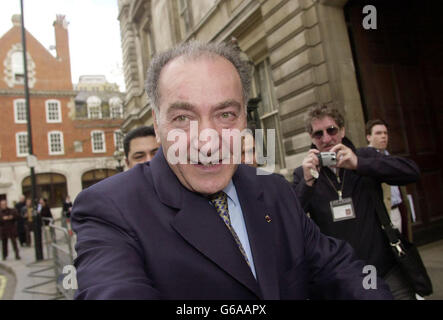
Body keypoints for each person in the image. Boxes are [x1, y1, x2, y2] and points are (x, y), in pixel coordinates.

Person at [72, 41, 393, 300]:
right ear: (157, 126)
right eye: (183, 118)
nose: (207, 141)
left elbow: (337, 268)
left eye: (225, 114)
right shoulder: (109, 208)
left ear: (244, 121)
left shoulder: (273, 190)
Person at [292, 105, 420, 300]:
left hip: (385, 269)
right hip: (341, 277)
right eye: (318, 134)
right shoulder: (304, 173)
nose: (326, 139)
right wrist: (307, 182)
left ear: (342, 131)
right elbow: (289, 218)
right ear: (312, 138)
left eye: (331, 130)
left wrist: (359, 164)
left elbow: (411, 172)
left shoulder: (364, 157)